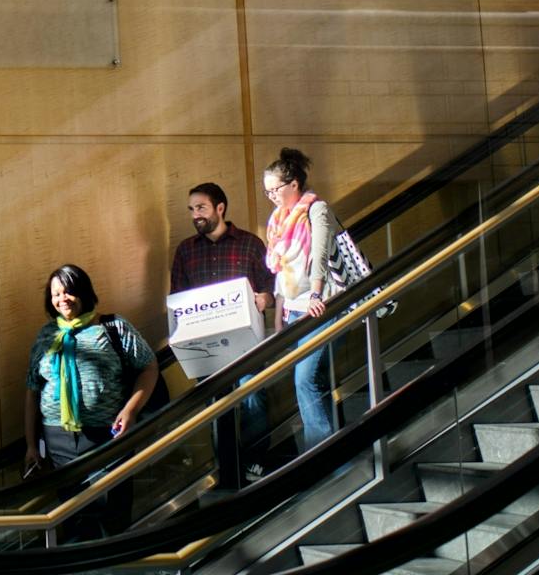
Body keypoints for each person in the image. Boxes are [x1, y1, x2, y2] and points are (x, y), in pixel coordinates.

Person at [23, 264, 158, 533]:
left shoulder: (113, 327)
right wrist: (30, 445)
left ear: (83, 292)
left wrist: (131, 410)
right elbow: (32, 389)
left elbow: (149, 367)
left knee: (113, 511)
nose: (62, 299)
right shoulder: (46, 336)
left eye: (68, 291)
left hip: (108, 435)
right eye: (55, 294)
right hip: (58, 439)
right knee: (73, 514)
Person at [170, 182, 275, 483]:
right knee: (216, 408)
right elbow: (177, 299)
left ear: (220, 208)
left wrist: (265, 298)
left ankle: (255, 462)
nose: (195, 215)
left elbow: (270, 285)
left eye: (201, 207)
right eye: (191, 209)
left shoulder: (250, 244)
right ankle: (228, 471)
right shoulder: (185, 251)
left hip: (247, 344)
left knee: (254, 398)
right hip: (207, 348)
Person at [263, 147, 338, 451]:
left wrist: (316, 294)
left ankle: (321, 455)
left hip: (319, 306)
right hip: (294, 310)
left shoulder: (315, 209)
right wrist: (280, 313)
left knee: (304, 379)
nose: (271, 196)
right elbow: (282, 270)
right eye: (266, 191)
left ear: (294, 184)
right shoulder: (278, 220)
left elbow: (318, 253)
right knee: (312, 380)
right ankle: (333, 452)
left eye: (275, 189)